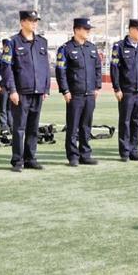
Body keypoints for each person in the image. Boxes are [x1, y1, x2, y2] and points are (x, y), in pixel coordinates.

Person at [1, 9, 50, 172]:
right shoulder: (13, 42)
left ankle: (30, 158)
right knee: (19, 128)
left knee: (33, 128)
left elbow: (45, 66)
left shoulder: (42, 42)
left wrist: (46, 88)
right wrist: (12, 90)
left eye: (36, 21)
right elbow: (7, 68)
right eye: (31, 21)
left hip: (37, 91)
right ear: (22, 22)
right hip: (21, 92)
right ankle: (17, 160)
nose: (34, 24)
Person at [56, 18, 103, 167]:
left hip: (90, 94)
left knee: (86, 126)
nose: (88, 31)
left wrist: (97, 87)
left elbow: (98, 68)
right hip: (75, 94)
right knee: (73, 126)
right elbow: (60, 71)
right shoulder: (66, 49)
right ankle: (73, 156)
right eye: (85, 29)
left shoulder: (92, 48)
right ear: (76, 30)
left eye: (89, 29)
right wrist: (65, 90)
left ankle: (85, 154)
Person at [110, 19, 138, 162]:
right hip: (126, 91)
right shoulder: (119, 47)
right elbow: (114, 69)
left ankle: (134, 150)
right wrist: (117, 88)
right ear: (131, 30)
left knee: (136, 122)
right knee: (125, 122)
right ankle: (125, 152)